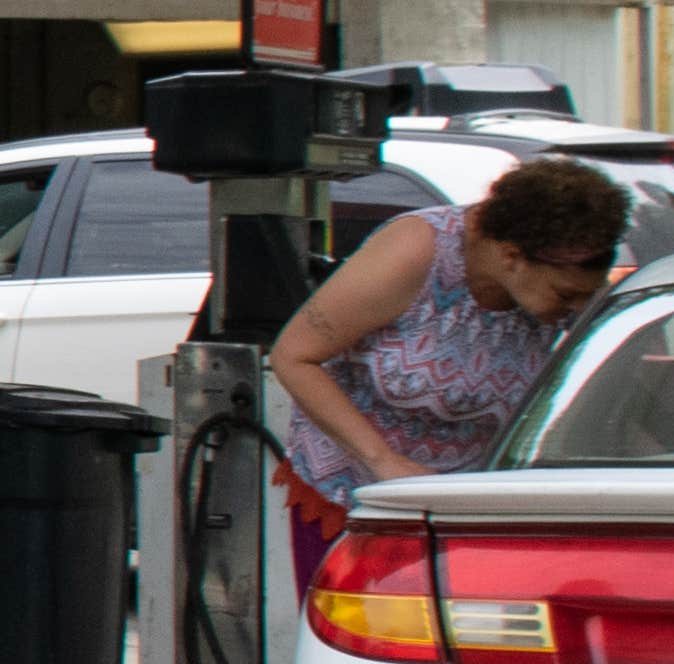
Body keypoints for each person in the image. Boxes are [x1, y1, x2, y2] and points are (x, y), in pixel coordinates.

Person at [268, 155, 631, 537]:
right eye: (566, 295)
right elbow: (294, 356)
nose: (576, 309)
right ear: (511, 257)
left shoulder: (551, 278)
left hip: (466, 503)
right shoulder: (415, 252)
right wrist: (384, 461)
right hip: (357, 497)